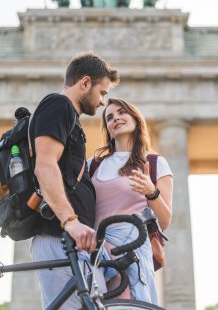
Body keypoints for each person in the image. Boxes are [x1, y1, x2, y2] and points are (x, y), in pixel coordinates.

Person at [29, 52, 120, 309]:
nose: (103, 102)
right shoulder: (59, 105)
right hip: (60, 235)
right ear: (85, 83)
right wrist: (70, 221)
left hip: (73, 240)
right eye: (102, 93)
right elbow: (45, 166)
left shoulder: (70, 117)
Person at [88, 98, 173, 305]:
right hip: (95, 251)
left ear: (136, 119)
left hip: (130, 250)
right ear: (107, 128)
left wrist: (151, 192)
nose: (115, 118)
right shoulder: (92, 165)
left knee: (128, 304)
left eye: (121, 113)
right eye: (109, 117)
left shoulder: (154, 163)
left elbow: (164, 221)